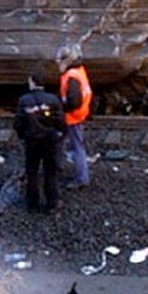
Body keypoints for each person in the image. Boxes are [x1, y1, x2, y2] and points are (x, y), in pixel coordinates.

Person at [14, 73, 66, 212]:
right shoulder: (53, 99)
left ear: (32, 83)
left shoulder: (24, 100)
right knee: (50, 172)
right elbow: (60, 121)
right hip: (50, 140)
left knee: (32, 172)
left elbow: (18, 122)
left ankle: (33, 204)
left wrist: (23, 135)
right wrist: (60, 135)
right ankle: (52, 203)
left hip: (31, 140)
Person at [56, 44, 93, 189]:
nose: (57, 63)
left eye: (59, 60)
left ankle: (81, 178)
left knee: (76, 147)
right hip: (78, 114)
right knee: (61, 142)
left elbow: (73, 101)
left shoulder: (71, 77)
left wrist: (60, 109)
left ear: (66, 60)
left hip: (71, 116)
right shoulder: (79, 72)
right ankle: (57, 166)